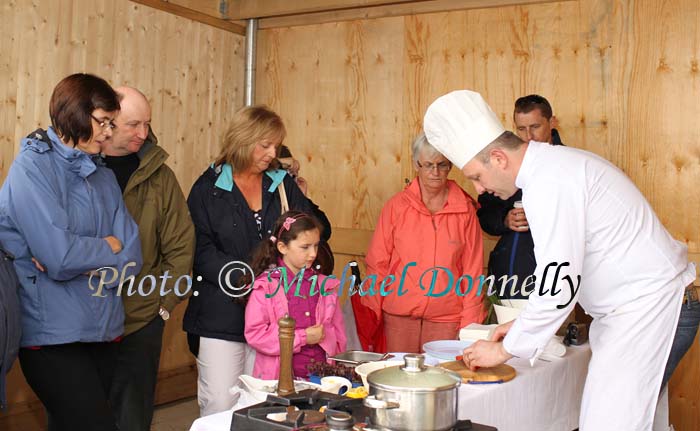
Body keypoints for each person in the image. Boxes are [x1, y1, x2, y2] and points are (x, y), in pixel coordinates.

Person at [423, 89, 697, 430]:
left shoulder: (549, 181)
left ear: (498, 157)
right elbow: (563, 276)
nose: (479, 189)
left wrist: (504, 350)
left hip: (649, 311)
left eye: (477, 176)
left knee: (608, 423)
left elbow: (558, 284)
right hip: (642, 310)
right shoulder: (552, 168)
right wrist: (518, 330)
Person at [0, 73, 142, 431]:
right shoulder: (31, 169)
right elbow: (59, 257)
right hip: (51, 335)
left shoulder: (103, 176)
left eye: (112, 123)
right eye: (103, 122)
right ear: (74, 114)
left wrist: (82, 257)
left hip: (104, 329)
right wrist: (105, 247)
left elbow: (131, 258)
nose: (109, 133)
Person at [185, 105, 320, 416]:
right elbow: (199, 248)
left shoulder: (282, 182)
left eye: (276, 145)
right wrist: (245, 278)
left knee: (261, 401)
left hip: (274, 313)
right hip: (222, 314)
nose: (272, 153)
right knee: (220, 401)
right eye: (265, 145)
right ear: (242, 140)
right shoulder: (207, 188)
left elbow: (307, 228)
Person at [103, 86, 195, 431]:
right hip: (81, 322)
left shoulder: (160, 176)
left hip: (141, 319)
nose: (144, 133)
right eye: (133, 124)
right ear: (107, 122)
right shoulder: (78, 168)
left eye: (148, 124)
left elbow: (181, 246)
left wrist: (163, 307)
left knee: (132, 419)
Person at [361, 133, 486, 353]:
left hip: (446, 318)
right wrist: (371, 314)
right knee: (397, 379)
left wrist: (470, 322)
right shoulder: (396, 207)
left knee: (442, 380)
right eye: (428, 165)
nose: (435, 172)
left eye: (442, 165)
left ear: (450, 166)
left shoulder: (465, 211)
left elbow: (473, 271)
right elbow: (377, 262)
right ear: (415, 164)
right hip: (399, 316)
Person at [477, 95, 563, 299]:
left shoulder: (567, 164)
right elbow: (485, 215)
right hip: (508, 279)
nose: (529, 136)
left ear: (552, 123)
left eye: (535, 127)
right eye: (521, 129)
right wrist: (504, 220)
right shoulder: (505, 163)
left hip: (554, 281)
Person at [244, 210, 346, 379]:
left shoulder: (324, 286)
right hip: (280, 383)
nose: (313, 254)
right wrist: (303, 337)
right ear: (282, 247)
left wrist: (339, 368)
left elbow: (339, 334)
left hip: (323, 379)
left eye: (316, 245)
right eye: (305, 247)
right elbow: (256, 335)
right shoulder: (266, 287)